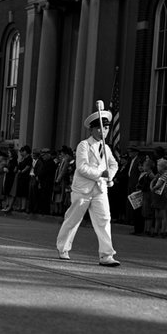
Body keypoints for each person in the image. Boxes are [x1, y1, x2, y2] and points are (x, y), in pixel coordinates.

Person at [55, 106, 120, 266]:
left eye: (105, 128)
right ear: (92, 130)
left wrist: (110, 175)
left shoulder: (106, 147)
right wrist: (101, 173)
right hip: (83, 189)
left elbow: (114, 164)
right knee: (73, 219)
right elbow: (82, 168)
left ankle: (106, 255)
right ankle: (63, 248)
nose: (103, 131)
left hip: (100, 189)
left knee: (104, 220)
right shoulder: (84, 145)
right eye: (99, 128)